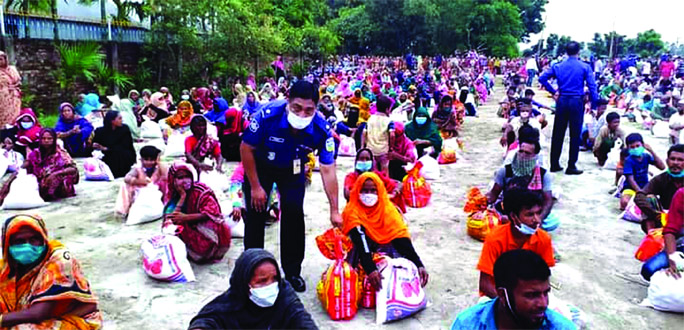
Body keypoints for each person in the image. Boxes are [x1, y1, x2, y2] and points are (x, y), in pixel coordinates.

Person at [240, 81, 342, 292]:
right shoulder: (267, 115)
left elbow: (328, 169)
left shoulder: (321, 130)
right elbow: (246, 148)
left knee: (294, 214)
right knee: (256, 214)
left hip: (293, 169)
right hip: (260, 168)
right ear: (288, 102)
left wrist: (335, 210)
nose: (302, 114)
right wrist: (256, 187)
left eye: (309, 110)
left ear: (316, 108)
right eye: (296, 108)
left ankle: (292, 271)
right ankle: (252, 269)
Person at [0, 214, 102, 329]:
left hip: (74, 319)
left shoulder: (59, 261)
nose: (27, 246)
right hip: (27, 317)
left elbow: (38, 314)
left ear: (43, 239)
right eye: (19, 241)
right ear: (7, 244)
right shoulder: (7, 267)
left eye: (34, 239)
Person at [188, 249, 317, 330]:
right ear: (244, 283)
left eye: (275, 278)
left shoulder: (284, 295)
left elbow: (301, 319)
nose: (270, 285)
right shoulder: (229, 305)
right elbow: (207, 321)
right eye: (261, 281)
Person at [342, 172, 428, 291]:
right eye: (364, 190)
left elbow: (401, 238)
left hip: (382, 252)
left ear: (380, 191)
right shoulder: (352, 210)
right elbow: (360, 240)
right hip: (361, 253)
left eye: (373, 190)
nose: (369, 195)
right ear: (357, 191)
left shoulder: (388, 210)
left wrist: (418, 263)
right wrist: (371, 269)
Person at [452, 249, 574, 330]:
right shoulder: (468, 325)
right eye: (531, 295)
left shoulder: (561, 327)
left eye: (546, 293)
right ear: (502, 295)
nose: (543, 304)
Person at [539, 41, 599, 175]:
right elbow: (592, 87)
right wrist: (594, 105)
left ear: (566, 52)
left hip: (562, 100)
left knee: (558, 133)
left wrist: (553, 91)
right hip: (577, 101)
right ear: (579, 52)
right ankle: (571, 165)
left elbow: (542, 78)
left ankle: (554, 163)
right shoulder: (585, 66)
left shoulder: (558, 66)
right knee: (574, 134)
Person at [163, 162, 231, 263]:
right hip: (186, 227)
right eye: (180, 177)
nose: (185, 181)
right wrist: (182, 197)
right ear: (173, 180)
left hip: (202, 227)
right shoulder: (171, 194)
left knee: (214, 227)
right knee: (169, 228)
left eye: (187, 176)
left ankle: (208, 252)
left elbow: (213, 213)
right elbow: (172, 217)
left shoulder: (201, 191)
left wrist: (186, 217)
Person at [488, 127, 555, 224]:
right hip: (509, 212)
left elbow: (548, 201)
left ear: (535, 156)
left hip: (532, 214)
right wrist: (481, 202)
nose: (522, 155)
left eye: (527, 153)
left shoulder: (543, 174)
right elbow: (494, 194)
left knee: (553, 222)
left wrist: (539, 218)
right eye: (521, 151)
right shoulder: (505, 171)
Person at [0, 128, 79, 203]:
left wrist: (55, 174)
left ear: (54, 139)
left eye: (49, 138)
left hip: (59, 185)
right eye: (43, 138)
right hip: (40, 182)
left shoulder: (60, 153)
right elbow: (23, 167)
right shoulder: (36, 153)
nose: (46, 141)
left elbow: (73, 169)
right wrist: (9, 181)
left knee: (52, 180)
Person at [634, 144, 684, 233]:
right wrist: (656, 214)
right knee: (649, 199)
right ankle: (652, 236)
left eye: (680, 160)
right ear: (667, 161)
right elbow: (640, 195)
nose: (675, 163)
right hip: (664, 219)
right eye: (672, 159)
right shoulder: (661, 178)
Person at [641, 187, 684, 281]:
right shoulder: (681, 194)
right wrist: (673, 260)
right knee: (648, 269)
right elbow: (670, 230)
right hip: (681, 244)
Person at [115, 145, 168, 217]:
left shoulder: (159, 167)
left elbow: (166, 176)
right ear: (141, 159)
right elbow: (127, 178)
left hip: (157, 194)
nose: (149, 162)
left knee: (165, 182)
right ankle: (126, 210)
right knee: (125, 185)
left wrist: (158, 162)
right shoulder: (137, 168)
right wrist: (141, 181)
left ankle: (165, 206)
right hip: (140, 194)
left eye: (152, 160)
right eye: (146, 159)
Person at [92, 111, 136, 178]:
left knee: (119, 154)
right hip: (106, 154)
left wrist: (107, 148)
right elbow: (96, 143)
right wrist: (95, 145)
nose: (122, 120)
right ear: (112, 121)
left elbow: (125, 146)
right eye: (119, 118)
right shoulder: (100, 131)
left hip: (122, 153)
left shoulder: (124, 129)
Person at [362, 95, 394, 174]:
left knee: (373, 170)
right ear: (387, 109)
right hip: (383, 150)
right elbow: (392, 135)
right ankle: (385, 184)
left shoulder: (370, 119)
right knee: (384, 169)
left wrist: (363, 147)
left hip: (371, 149)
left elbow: (364, 133)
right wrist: (391, 148)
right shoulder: (389, 121)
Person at [0, 51, 22, 128]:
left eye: (1, 59)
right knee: (3, 116)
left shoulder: (12, 69)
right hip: (2, 98)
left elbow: (19, 81)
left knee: (15, 114)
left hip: (14, 97)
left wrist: (15, 86)